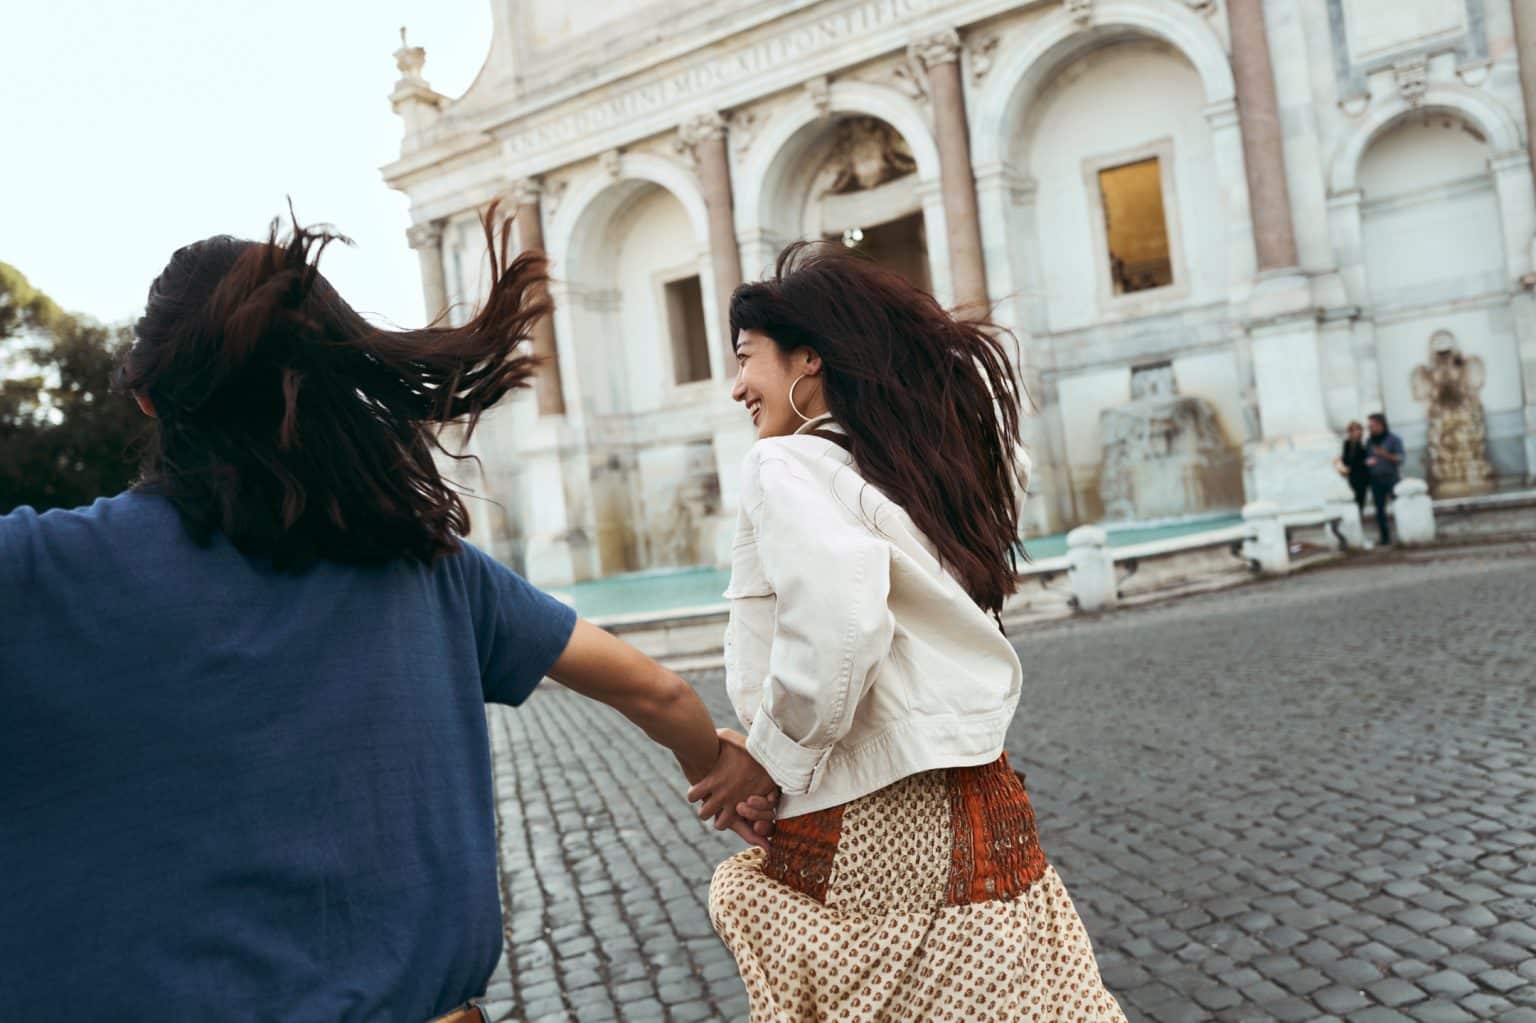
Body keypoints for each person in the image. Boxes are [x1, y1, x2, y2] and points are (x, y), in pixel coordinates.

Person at [0, 209, 774, 1022]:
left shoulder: (42, 572)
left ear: (151, 399)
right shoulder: (427, 564)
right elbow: (656, 692)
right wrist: (718, 764)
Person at [687, 243, 1126, 1022]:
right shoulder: (915, 467)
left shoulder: (783, 465)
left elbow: (838, 621)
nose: (735, 386)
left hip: (870, 815)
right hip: (985, 802)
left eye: (747, 357)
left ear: (808, 360)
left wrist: (769, 762)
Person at [1364, 411, 1406, 546]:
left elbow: (1400, 458)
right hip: (1376, 479)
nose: (1370, 429)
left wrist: (1385, 454)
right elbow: (1366, 458)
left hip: (1391, 477)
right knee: (1379, 510)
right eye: (1369, 426)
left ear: (1381, 425)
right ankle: (1385, 538)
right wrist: (1368, 462)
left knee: (1400, 506)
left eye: (1372, 425)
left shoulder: (1394, 439)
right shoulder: (1369, 441)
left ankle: (1405, 533)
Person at [1335, 419, 1372, 520]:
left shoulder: (1364, 443)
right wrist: (1340, 461)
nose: (1357, 432)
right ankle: (1355, 519)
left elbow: (1367, 459)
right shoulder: (1347, 444)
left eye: (1358, 429)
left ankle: (1358, 518)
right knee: (1355, 499)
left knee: (1361, 499)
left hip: (1364, 476)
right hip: (1353, 476)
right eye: (1354, 430)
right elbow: (1347, 460)